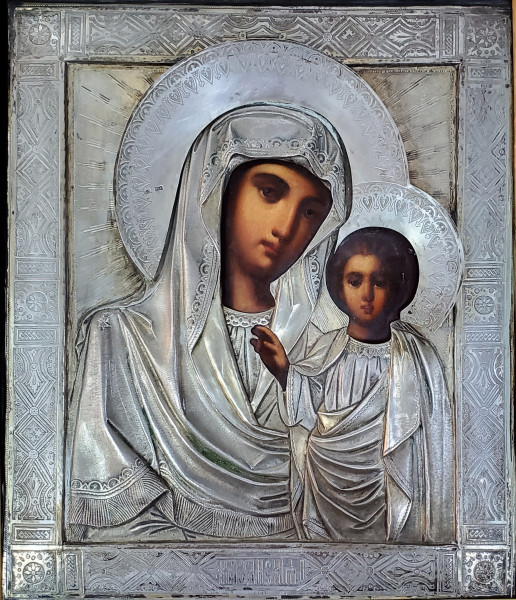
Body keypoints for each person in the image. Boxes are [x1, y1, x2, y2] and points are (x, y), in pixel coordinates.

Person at [66, 104, 351, 541]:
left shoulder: (324, 353)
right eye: (269, 192)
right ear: (216, 191)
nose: (286, 226)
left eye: (310, 211)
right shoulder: (120, 339)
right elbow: (103, 527)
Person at [253, 227, 455, 543]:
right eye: (355, 281)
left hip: (387, 484)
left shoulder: (418, 357)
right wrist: (284, 372)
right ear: (339, 285)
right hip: (324, 484)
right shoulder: (326, 349)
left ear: (399, 287)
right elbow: (306, 411)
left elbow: (432, 436)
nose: (367, 294)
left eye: (380, 282)